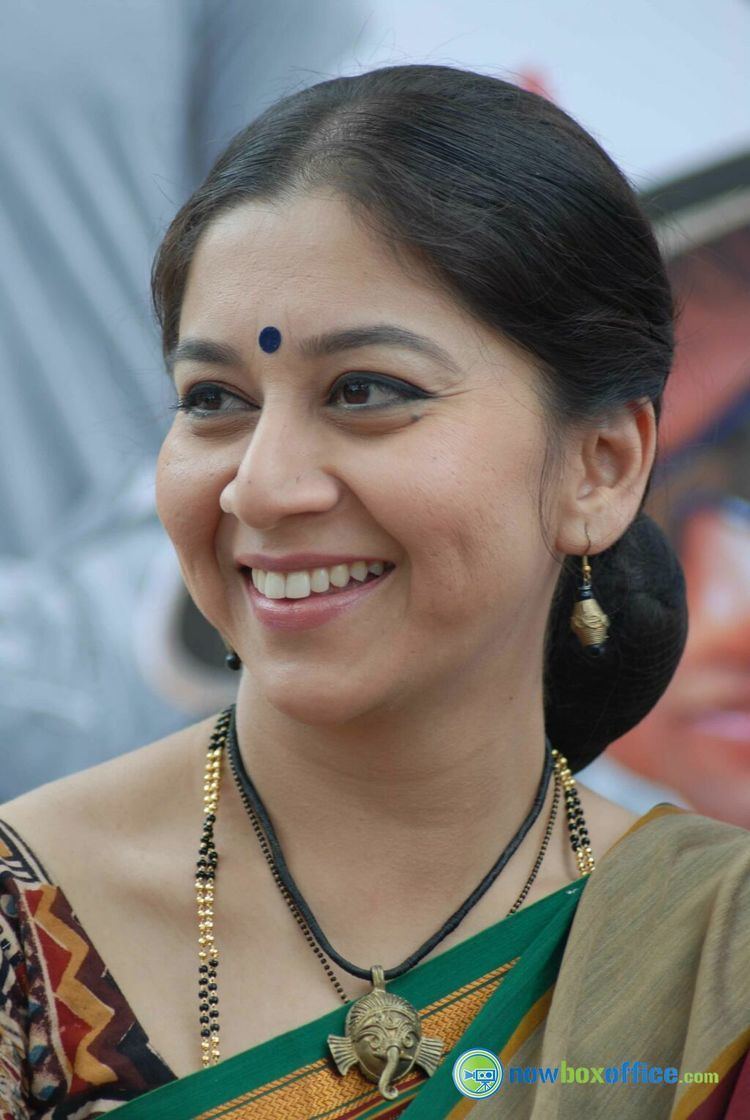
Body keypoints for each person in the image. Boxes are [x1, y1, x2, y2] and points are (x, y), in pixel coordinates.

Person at [0, 64, 747, 1119]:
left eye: (365, 391)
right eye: (212, 400)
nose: (260, 482)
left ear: (602, 467)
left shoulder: (716, 954)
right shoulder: (28, 934)